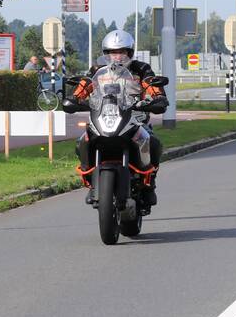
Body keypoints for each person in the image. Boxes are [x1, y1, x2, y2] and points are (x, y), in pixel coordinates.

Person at [71, 30, 167, 206]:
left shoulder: (141, 69)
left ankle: (149, 184)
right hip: (104, 115)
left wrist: (158, 97)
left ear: (129, 52)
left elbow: (151, 84)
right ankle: (92, 183)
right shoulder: (97, 70)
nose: (117, 57)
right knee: (82, 142)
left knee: (153, 143)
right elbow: (86, 84)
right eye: (112, 52)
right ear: (106, 54)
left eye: (121, 52)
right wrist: (74, 98)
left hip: (135, 118)